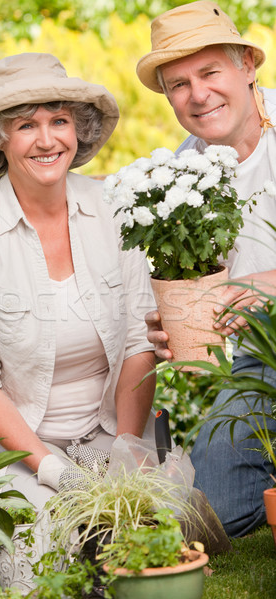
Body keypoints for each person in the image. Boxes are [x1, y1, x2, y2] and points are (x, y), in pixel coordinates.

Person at [0, 52, 157, 512]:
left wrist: (128, 453)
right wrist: (56, 472)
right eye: (26, 126)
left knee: (156, 519)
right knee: (57, 534)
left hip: (107, 434)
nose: (47, 140)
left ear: (77, 130)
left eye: (59, 121)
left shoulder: (115, 209)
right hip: (10, 450)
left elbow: (139, 342)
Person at [136, 0, 276, 537]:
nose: (197, 95)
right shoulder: (178, 178)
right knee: (207, 510)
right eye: (178, 83)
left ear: (246, 66)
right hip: (259, 364)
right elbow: (187, 282)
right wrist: (167, 324)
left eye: (210, 72)